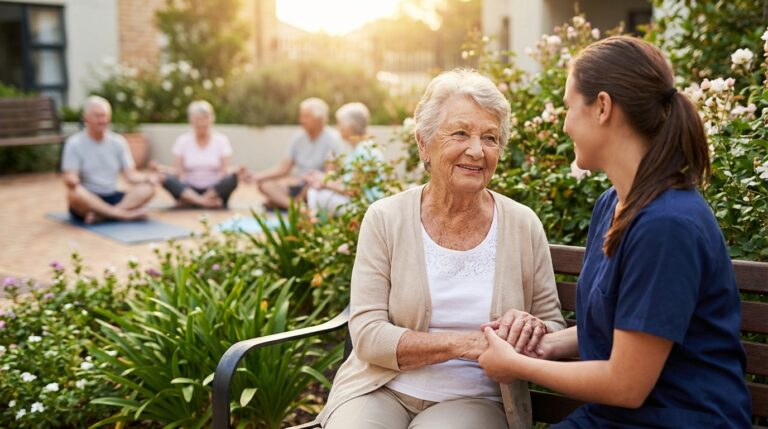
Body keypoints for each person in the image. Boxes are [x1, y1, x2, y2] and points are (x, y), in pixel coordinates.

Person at [478, 36, 752, 428]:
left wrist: (517, 365)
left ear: (603, 107)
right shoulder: (613, 205)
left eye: (570, 106)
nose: (566, 122)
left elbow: (626, 385)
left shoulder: (668, 225)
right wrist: (545, 343)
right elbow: (628, 328)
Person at [320, 69, 566, 429]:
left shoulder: (521, 223)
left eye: (490, 138)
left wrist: (531, 328)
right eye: (461, 133)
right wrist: (464, 345)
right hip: (379, 388)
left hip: (473, 398)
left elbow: (553, 325)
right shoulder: (386, 218)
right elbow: (369, 335)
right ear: (424, 143)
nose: (477, 151)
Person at [62, 96, 156, 223]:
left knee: (149, 188)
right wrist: (71, 180)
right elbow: (70, 177)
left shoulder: (118, 142)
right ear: (86, 118)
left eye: (104, 116)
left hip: (112, 196)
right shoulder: (74, 143)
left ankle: (105, 215)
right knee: (74, 193)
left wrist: (148, 178)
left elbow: (131, 175)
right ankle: (123, 214)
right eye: (97, 116)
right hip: (89, 198)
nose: (102, 120)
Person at [247, 97, 343, 210]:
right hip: (297, 185)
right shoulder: (298, 138)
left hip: (314, 187)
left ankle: (283, 203)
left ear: (319, 119)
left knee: (312, 188)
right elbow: (283, 169)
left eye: (306, 116)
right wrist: (256, 176)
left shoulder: (332, 139)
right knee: (264, 185)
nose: (301, 120)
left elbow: (329, 175)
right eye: (301, 116)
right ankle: (295, 207)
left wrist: (313, 180)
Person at [304, 102, 383, 215]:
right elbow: (348, 183)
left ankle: (315, 225)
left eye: (339, 123)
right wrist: (322, 179)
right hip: (361, 203)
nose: (337, 127)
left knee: (315, 194)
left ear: (350, 126)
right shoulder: (361, 148)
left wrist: (325, 182)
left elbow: (353, 190)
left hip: (363, 207)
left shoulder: (363, 151)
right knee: (316, 190)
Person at [156, 100, 238, 208]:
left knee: (232, 178)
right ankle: (203, 202)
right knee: (166, 178)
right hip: (189, 189)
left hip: (214, 190)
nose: (201, 123)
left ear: (211, 119)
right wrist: (162, 170)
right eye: (197, 120)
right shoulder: (182, 141)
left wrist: (237, 171)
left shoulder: (221, 141)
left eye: (204, 119)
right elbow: (177, 172)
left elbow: (224, 171)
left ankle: (192, 202)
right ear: (191, 121)